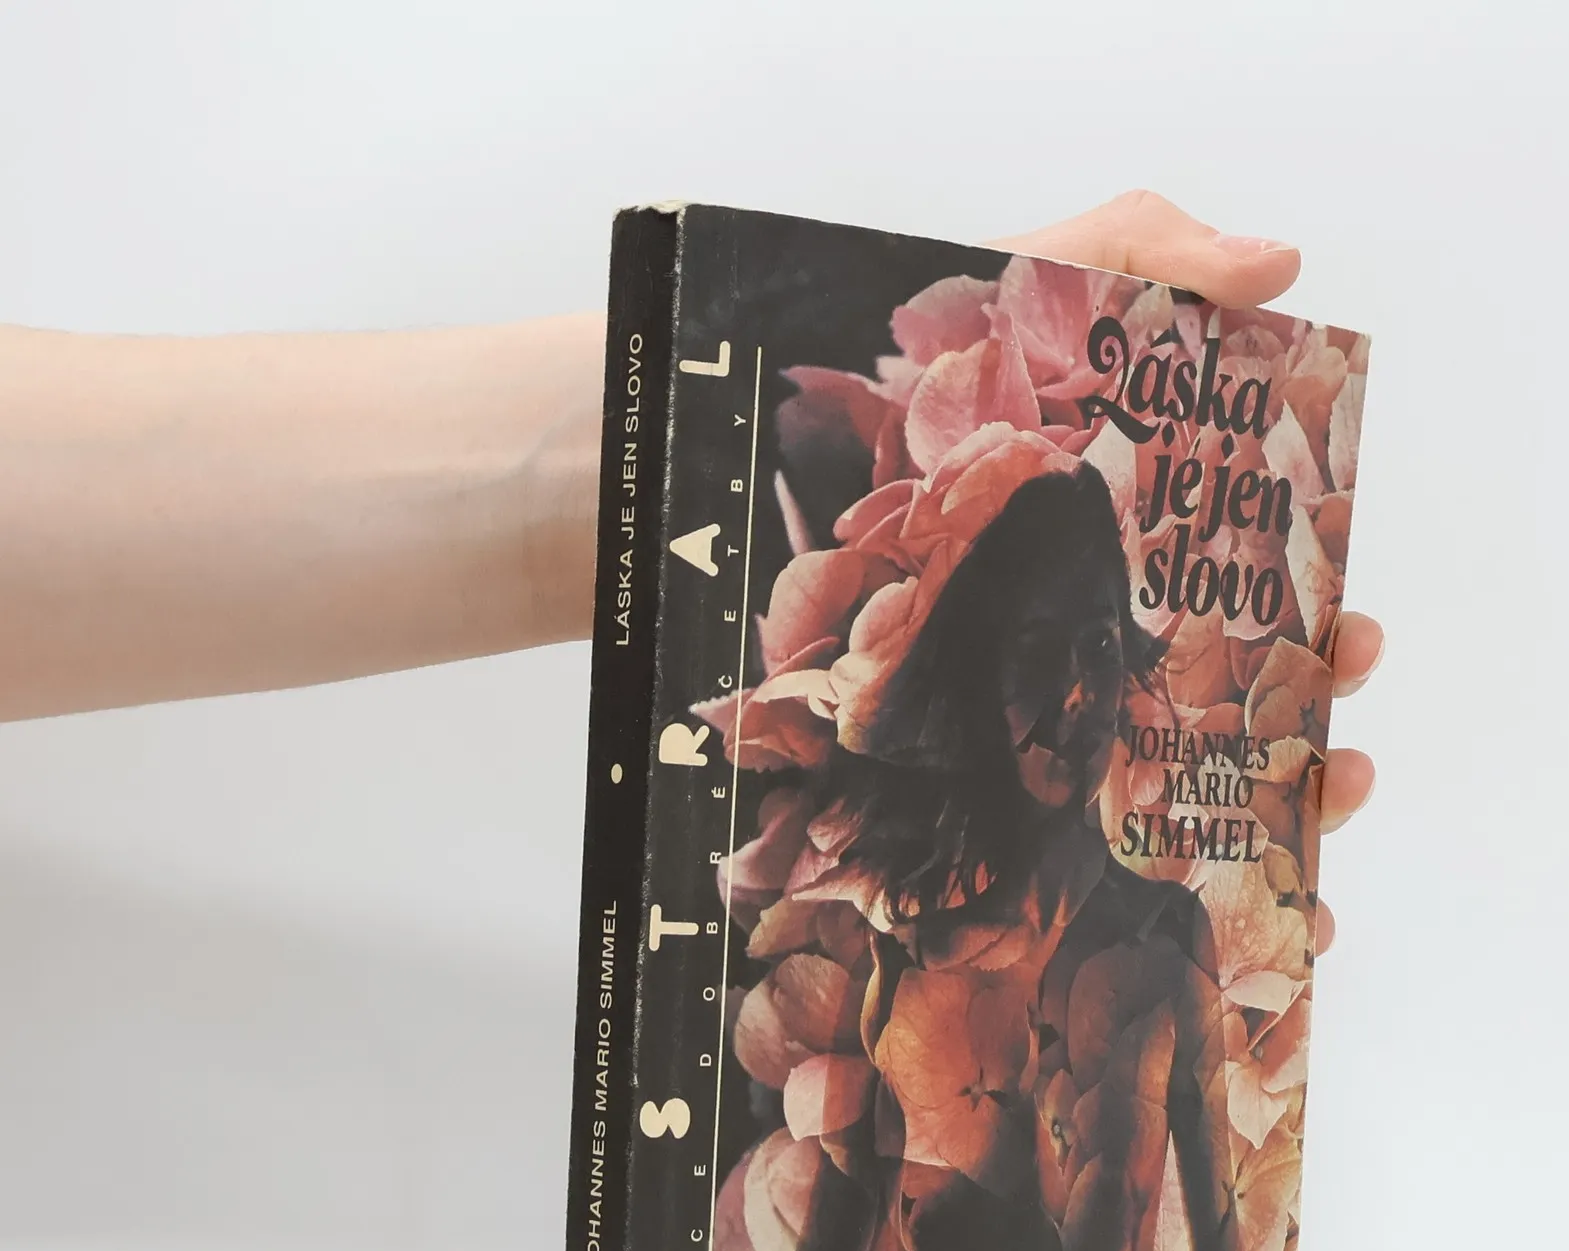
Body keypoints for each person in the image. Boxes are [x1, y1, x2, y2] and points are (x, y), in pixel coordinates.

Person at [0, 191, 1379, 945]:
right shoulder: (893, 932)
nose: (1074, 702)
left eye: (1098, 650)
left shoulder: (1149, 937)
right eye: (1034, 653)